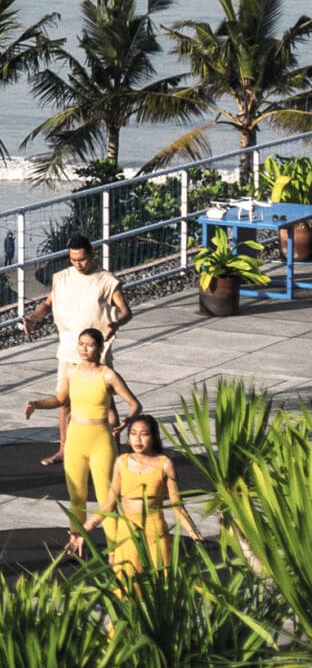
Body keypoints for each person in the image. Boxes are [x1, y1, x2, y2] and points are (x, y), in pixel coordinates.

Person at [23, 235, 132, 466]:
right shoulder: (61, 278)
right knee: (65, 403)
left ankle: (116, 449)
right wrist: (33, 318)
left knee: (107, 402)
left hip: (97, 351)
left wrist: (116, 324)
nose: (78, 264)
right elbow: (48, 304)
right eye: (73, 259)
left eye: (81, 259)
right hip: (68, 350)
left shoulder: (105, 280)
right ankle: (64, 449)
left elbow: (125, 311)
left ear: (91, 255)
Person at [25, 327, 140, 535]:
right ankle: (76, 545)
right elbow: (60, 399)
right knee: (76, 498)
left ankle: (115, 549)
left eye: (89, 344)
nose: (84, 349)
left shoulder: (108, 375)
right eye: (81, 344)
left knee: (106, 498)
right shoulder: (71, 371)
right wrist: (36, 404)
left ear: (100, 347)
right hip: (75, 441)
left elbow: (134, 404)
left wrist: (127, 421)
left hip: (101, 441)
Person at [72, 413, 203, 576]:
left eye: (144, 434)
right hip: (128, 530)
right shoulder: (122, 462)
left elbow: (178, 506)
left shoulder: (165, 464)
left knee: (163, 581)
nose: (138, 439)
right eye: (133, 434)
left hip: (155, 529)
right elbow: (108, 505)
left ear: (154, 437)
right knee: (126, 583)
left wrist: (193, 531)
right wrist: (84, 530)